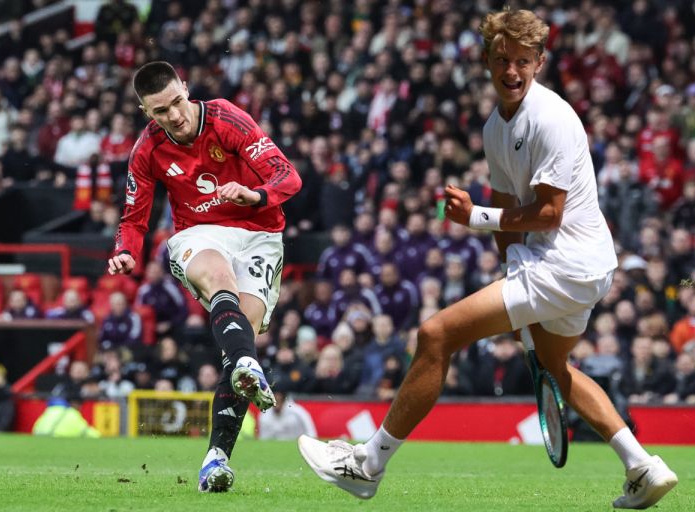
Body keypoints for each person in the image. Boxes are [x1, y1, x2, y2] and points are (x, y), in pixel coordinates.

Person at [298, 9, 678, 510]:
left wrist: (476, 217)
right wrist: (509, 274)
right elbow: (506, 206)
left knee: (435, 335)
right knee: (555, 367)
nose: (511, 70)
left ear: (539, 62)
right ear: (486, 60)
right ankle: (643, 467)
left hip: (567, 261)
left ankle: (367, 465)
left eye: (522, 60)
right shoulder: (494, 128)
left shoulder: (551, 117)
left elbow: (548, 215)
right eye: (502, 59)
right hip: (561, 265)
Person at [106, 61, 301, 493]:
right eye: (161, 111)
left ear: (186, 88)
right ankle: (247, 363)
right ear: (145, 111)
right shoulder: (147, 149)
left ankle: (215, 459)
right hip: (200, 233)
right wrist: (125, 251)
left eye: (177, 102)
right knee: (218, 279)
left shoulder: (227, 119)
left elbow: (288, 176)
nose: (174, 115)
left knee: (241, 342)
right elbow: (133, 218)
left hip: (261, 233)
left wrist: (256, 195)